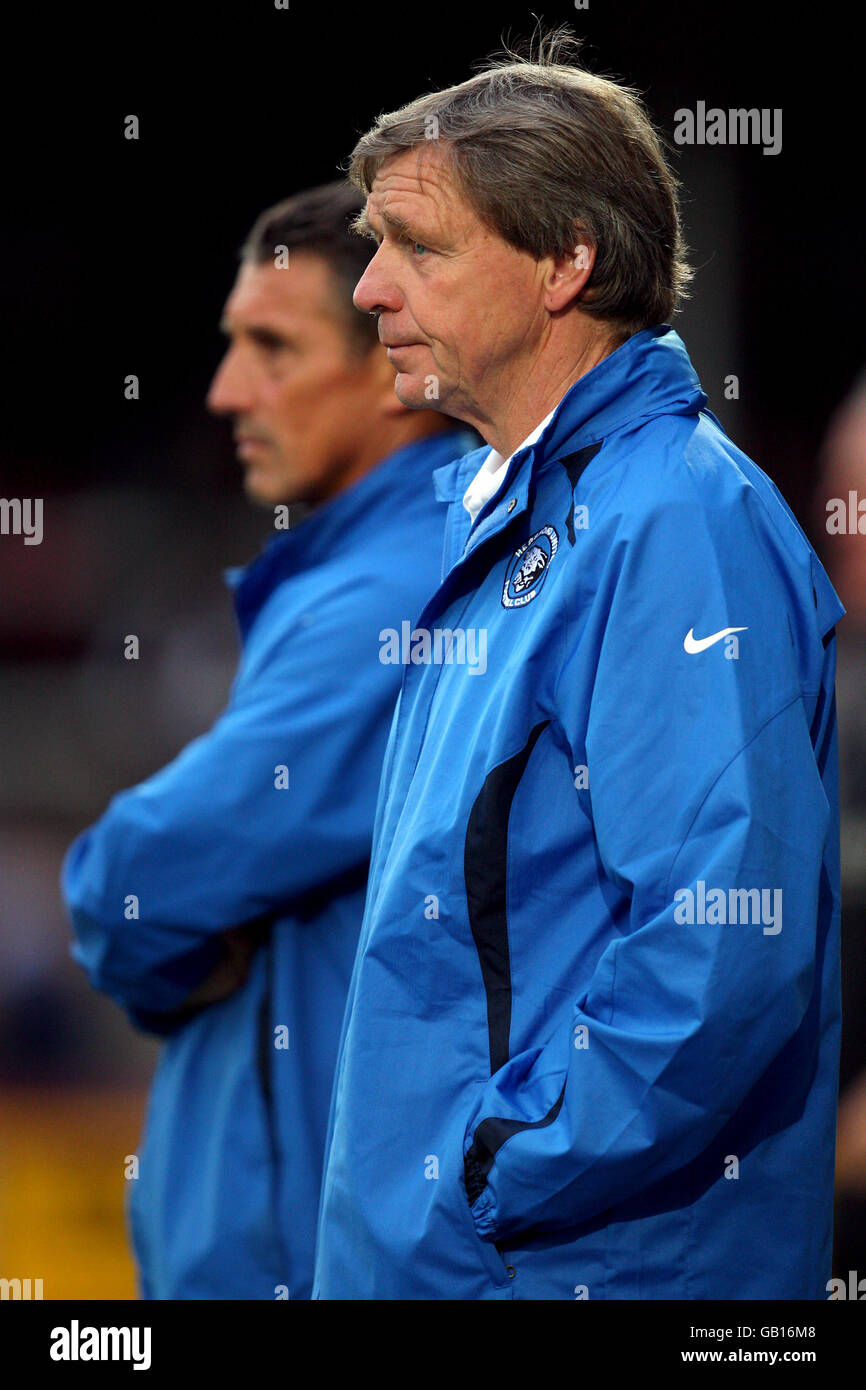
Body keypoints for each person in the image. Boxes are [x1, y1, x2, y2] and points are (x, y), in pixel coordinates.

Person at [313, 35, 846, 1300]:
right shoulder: (526, 514)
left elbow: (722, 945)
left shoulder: (672, 523)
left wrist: (487, 1170)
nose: (367, 290)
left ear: (567, 263)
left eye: (419, 246)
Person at [61, 180, 471, 1299]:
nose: (225, 390)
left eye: (272, 348)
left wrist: (171, 920)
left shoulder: (401, 588)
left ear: (396, 359)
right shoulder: (381, 566)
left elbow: (129, 881)